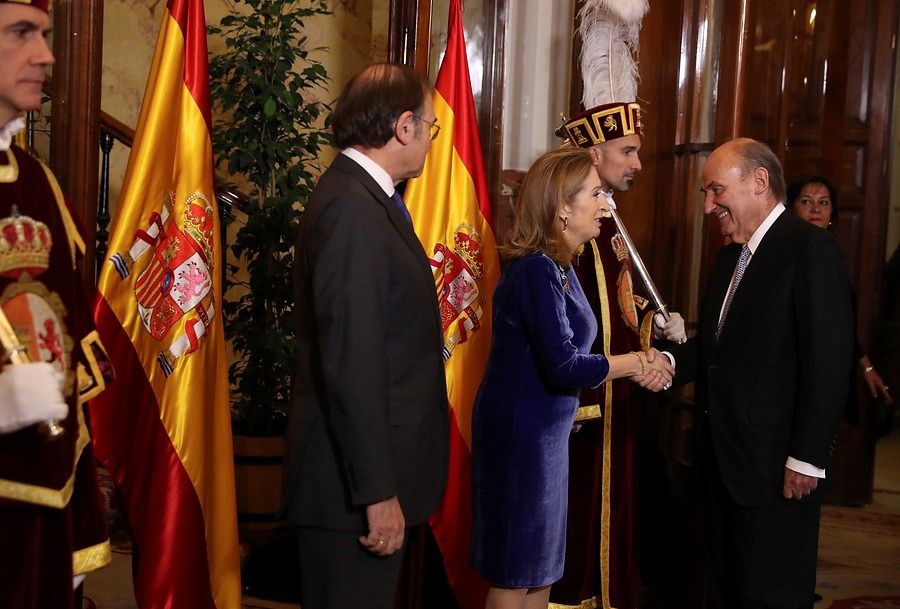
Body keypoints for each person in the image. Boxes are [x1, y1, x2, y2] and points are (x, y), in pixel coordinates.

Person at [469, 147, 674, 609]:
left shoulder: (559, 266)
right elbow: (563, 364)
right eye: (596, 193)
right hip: (520, 441)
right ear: (562, 205)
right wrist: (637, 363)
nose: (605, 203)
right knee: (515, 571)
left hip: (546, 438)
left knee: (542, 571)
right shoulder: (536, 270)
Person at [281, 63, 450, 609]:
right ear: (404, 127)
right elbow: (353, 363)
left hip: (360, 482)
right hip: (349, 493)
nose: (430, 140)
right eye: (430, 127)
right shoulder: (354, 209)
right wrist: (378, 493)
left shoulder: (364, 198)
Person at [670, 138, 856, 608]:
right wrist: (667, 363)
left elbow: (828, 363)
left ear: (758, 182)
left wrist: (807, 458)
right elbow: (716, 349)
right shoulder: (729, 257)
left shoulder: (810, 250)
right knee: (726, 591)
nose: (709, 206)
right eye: (706, 195)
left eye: (716, 191)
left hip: (778, 470)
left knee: (771, 596)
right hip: (722, 463)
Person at [0, 1, 113, 607]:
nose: (46, 55)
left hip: (42, 493)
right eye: (22, 34)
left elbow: (67, 348)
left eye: (45, 35)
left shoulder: (40, 183)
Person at [787, 174, 893, 406]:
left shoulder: (832, 255)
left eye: (823, 202)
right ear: (792, 208)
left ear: (832, 214)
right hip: (792, 374)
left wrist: (867, 365)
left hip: (827, 373)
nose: (815, 208)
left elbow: (840, 321)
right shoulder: (785, 254)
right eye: (806, 201)